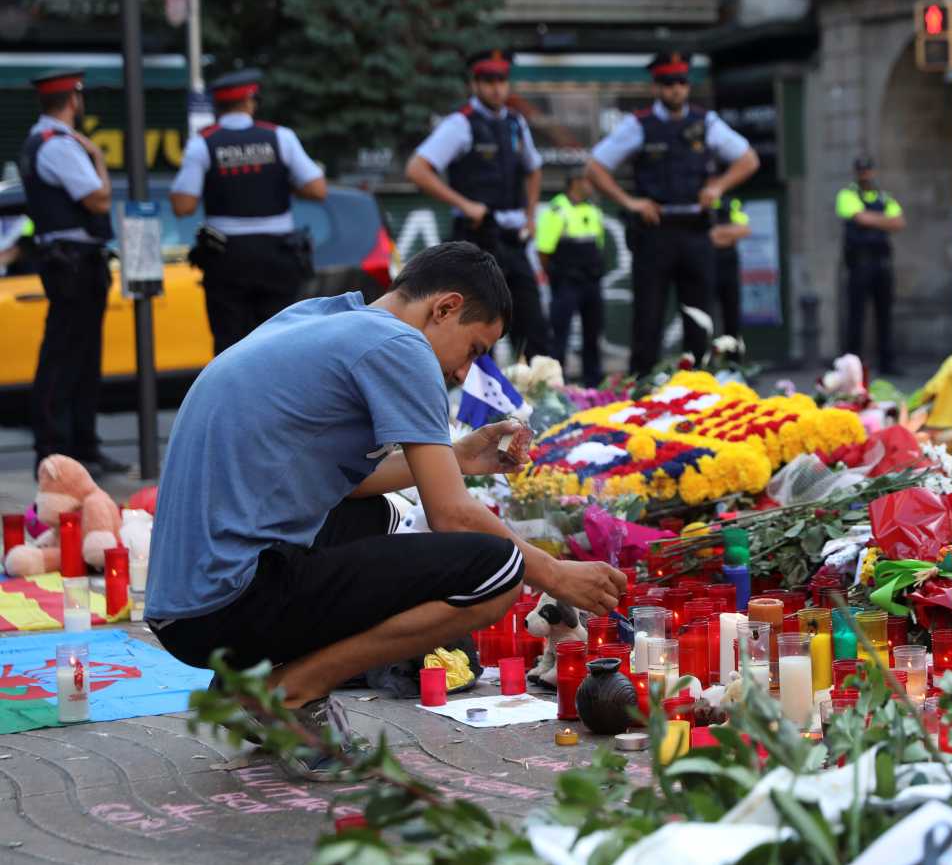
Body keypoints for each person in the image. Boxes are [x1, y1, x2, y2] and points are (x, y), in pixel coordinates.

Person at [145, 241, 626, 779]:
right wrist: (556, 574)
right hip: (225, 600)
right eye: (473, 349)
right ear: (444, 308)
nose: (467, 373)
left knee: (383, 517)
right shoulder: (402, 347)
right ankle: (289, 691)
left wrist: (462, 458)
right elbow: (452, 517)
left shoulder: (321, 316)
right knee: (497, 572)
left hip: (186, 601)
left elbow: (345, 483)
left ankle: (243, 679)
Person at [585, 51, 759, 374]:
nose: (676, 89)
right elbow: (595, 167)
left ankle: (699, 387)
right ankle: (641, 390)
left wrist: (718, 187)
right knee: (648, 318)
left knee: (699, 317)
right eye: (668, 83)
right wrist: (630, 202)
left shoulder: (705, 123)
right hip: (655, 231)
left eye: (681, 82)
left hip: (696, 230)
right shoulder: (639, 125)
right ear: (657, 88)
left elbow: (749, 159)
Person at [170, 69, 328, 354]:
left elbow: (183, 206)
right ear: (250, 101)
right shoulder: (280, 137)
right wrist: (280, 184)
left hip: (227, 256)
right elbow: (318, 190)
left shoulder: (203, 142)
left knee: (230, 345)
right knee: (281, 342)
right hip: (278, 255)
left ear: (218, 106)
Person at [406, 49, 550, 362]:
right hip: (476, 238)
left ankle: (540, 399)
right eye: (488, 80)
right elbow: (417, 169)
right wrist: (465, 204)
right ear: (475, 84)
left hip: (513, 238)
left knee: (533, 325)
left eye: (501, 79)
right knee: (476, 326)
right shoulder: (461, 124)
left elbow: (534, 167)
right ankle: (475, 405)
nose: (496, 87)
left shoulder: (515, 123)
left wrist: (531, 215)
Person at [19, 70, 129, 475]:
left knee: (80, 357)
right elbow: (98, 200)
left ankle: (82, 449)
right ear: (73, 100)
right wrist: (98, 158)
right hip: (74, 262)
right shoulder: (59, 145)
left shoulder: (40, 142)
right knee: (66, 357)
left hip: (72, 259)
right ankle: (58, 450)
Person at [537, 169, 606, 387]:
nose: (591, 185)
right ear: (575, 182)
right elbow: (544, 250)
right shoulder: (556, 210)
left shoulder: (593, 209)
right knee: (560, 335)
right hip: (567, 282)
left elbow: (599, 244)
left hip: (591, 281)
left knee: (593, 333)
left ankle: (593, 382)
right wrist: (556, 276)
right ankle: (557, 384)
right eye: (588, 181)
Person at [837, 156, 905, 375]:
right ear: (856, 173)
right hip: (859, 263)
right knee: (855, 316)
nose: (865, 174)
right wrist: (883, 219)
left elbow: (899, 222)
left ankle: (887, 363)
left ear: (873, 172)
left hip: (881, 263)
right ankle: (852, 367)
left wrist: (871, 218)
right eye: (861, 171)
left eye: (867, 170)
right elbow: (859, 218)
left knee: (884, 315)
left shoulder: (884, 196)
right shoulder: (847, 194)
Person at [711, 196, 751, 349]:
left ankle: (732, 362)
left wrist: (717, 234)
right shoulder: (695, 196)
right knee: (704, 318)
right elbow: (705, 237)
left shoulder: (731, 201)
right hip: (704, 263)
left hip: (728, 264)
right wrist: (727, 234)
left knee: (732, 316)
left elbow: (744, 230)